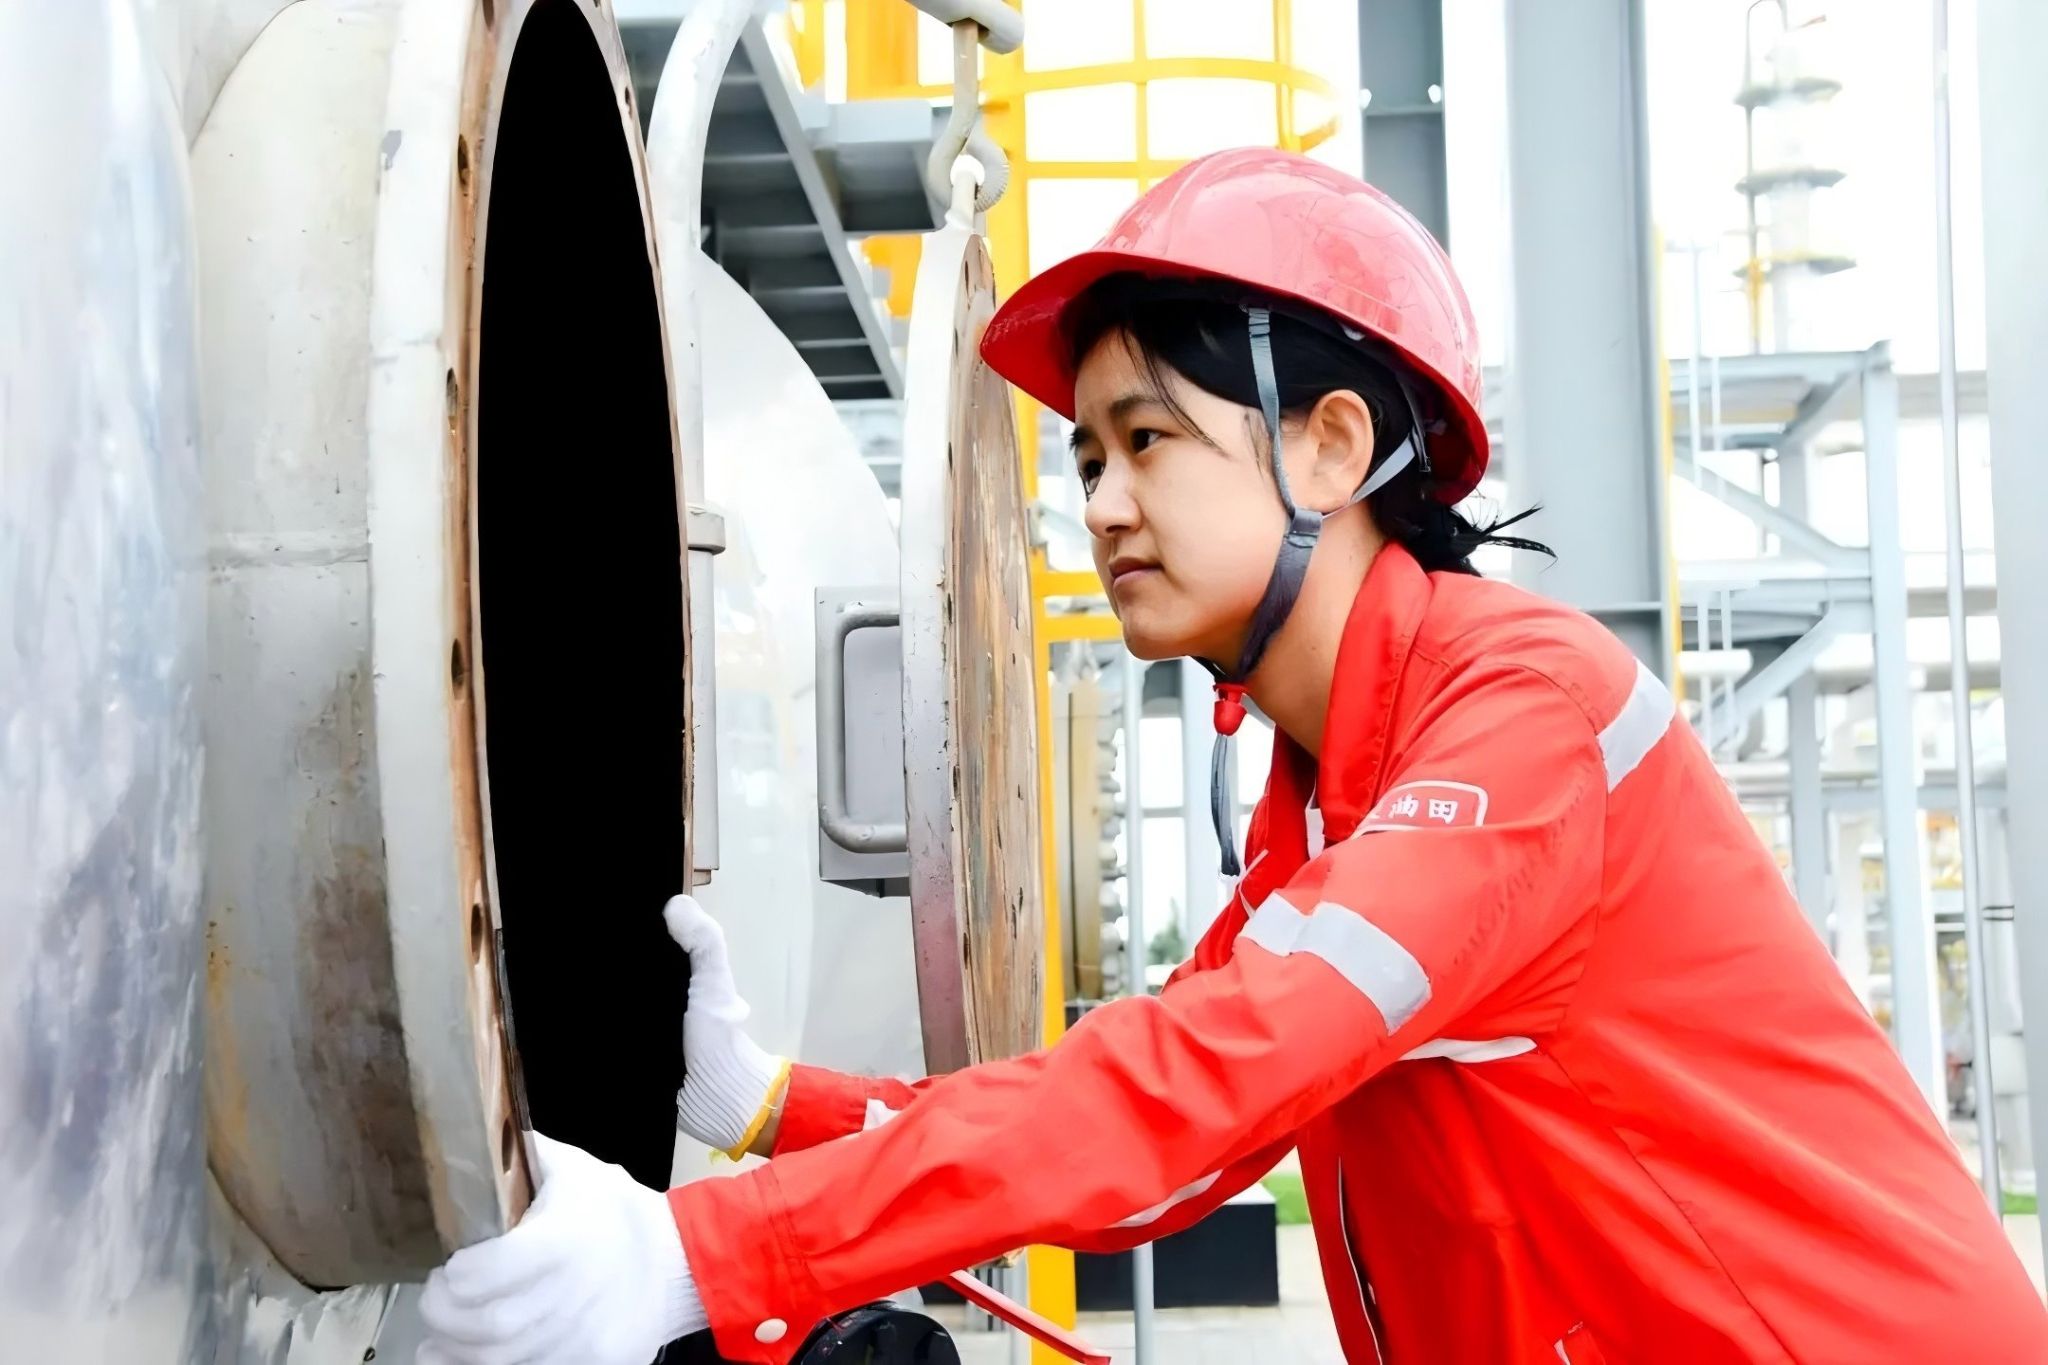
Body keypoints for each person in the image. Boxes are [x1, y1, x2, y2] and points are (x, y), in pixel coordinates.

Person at [416, 148, 2048, 1364]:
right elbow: (1150, 1168)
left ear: (1333, 445)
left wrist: (702, 1252)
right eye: (1086, 458)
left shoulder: (1527, 713)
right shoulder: (1321, 817)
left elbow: (1199, 1084)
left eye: (1149, 439)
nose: (1103, 504)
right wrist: (774, 1104)